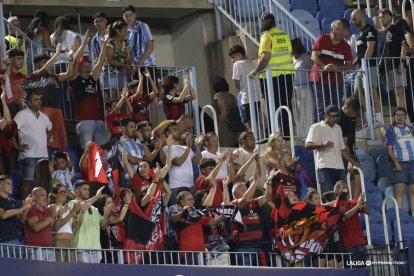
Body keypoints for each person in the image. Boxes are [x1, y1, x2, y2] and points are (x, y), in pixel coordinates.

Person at [250, 13, 294, 137]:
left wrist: (255, 71)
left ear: (265, 22)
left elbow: (266, 57)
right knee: (286, 106)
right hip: (288, 75)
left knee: (271, 106)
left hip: (272, 77)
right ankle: (287, 135)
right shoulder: (285, 35)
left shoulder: (267, 37)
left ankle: (273, 135)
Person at [23, 44, 74, 151]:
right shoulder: (33, 76)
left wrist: (70, 59)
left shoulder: (54, 77)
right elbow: (45, 68)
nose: (47, 63)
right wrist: (56, 54)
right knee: (43, 141)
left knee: (58, 144)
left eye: (48, 61)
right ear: (37, 64)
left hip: (56, 111)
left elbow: (69, 74)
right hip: (42, 111)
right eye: (43, 61)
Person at [305, 105, 359, 194]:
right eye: (332, 116)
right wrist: (322, 144)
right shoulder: (315, 127)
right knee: (329, 196)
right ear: (326, 115)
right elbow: (307, 145)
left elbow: (342, 149)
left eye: (336, 116)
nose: (335, 118)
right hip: (325, 168)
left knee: (344, 196)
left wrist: (352, 161)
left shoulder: (338, 128)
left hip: (340, 167)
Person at [70, 30, 109, 148]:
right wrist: (83, 44)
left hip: (99, 120)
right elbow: (76, 61)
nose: (87, 68)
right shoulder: (75, 79)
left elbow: (101, 61)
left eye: (89, 66)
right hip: (84, 120)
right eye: (85, 66)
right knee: (88, 152)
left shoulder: (93, 78)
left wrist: (104, 44)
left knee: (103, 152)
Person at [310, 20, 353, 120]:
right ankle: (320, 132)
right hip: (319, 79)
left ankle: (334, 131)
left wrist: (337, 68)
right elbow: (314, 56)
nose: (341, 32)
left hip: (336, 81)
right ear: (332, 29)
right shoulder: (322, 39)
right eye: (338, 29)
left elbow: (349, 65)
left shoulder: (346, 46)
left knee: (335, 108)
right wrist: (324, 66)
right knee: (321, 107)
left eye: (343, 30)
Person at [228, 166, 270, 266]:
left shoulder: (253, 202)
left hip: (258, 246)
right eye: (243, 189)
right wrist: (255, 182)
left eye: (246, 188)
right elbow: (245, 200)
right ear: (235, 193)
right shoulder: (233, 204)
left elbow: (268, 196)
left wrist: (269, 182)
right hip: (243, 248)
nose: (246, 190)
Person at [13, 90, 52, 199]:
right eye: (35, 99)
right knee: (27, 183)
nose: (39, 102)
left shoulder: (44, 116)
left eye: (40, 99)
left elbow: (50, 128)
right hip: (28, 155)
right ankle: (24, 209)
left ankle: (43, 209)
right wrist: (17, 146)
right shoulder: (22, 115)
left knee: (44, 185)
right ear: (29, 103)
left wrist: (46, 139)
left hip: (43, 155)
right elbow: (10, 130)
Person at [169, 189, 224, 265]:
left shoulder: (195, 214)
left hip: (200, 252)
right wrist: (183, 211)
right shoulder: (176, 212)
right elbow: (174, 219)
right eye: (189, 200)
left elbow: (213, 221)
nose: (192, 201)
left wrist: (226, 214)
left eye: (192, 199)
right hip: (186, 253)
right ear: (182, 202)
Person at [351, 9, 382, 125]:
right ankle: (368, 118)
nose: (352, 21)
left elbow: (370, 47)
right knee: (356, 92)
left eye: (354, 18)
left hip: (369, 66)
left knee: (372, 90)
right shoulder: (360, 33)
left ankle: (379, 119)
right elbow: (360, 54)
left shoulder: (370, 30)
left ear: (361, 16)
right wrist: (351, 64)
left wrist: (364, 65)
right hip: (361, 67)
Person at [161, 122, 203, 204]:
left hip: (190, 185)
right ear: (168, 133)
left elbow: (198, 161)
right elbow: (178, 162)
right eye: (175, 129)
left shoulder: (185, 147)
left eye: (178, 129)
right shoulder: (167, 148)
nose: (178, 131)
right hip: (176, 185)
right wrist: (188, 147)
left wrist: (197, 145)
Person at [68, 181, 109, 263]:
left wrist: (106, 214)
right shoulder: (72, 203)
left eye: (88, 189)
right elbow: (81, 206)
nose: (88, 191)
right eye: (84, 189)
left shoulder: (95, 209)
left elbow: (103, 226)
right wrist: (96, 197)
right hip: (81, 248)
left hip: (96, 249)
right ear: (76, 191)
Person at [229, 45, 263, 133]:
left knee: (249, 123)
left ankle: (255, 142)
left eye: (233, 57)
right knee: (256, 120)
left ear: (239, 54)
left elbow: (236, 82)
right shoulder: (253, 63)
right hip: (257, 96)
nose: (232, 60)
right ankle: (262, 139)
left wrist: (241, 89)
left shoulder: (237, 64)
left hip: (246, 97)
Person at [385, 107, 414, 213]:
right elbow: (389, 149)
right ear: (394, 117)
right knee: (400, 192)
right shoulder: (391, 130)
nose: (400, 117)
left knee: (413, 192)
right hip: (400, 163)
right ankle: (400, 219)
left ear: (405, 116)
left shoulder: (411, 129)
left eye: (402, 115)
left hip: (413, 162)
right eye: (397, 115)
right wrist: (396, 162)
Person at [334, 181, 370, 264]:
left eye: (346, 186)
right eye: (342, 187)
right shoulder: (336, 204)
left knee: (366, 271)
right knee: (354, 271)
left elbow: (368, 212)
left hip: (361, 242)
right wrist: (358, 205)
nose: (345, 188)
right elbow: (343, 218)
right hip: (349, 245)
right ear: (336, 192)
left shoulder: (352, 202)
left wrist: (363, 203)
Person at [379, 9, 408, 110]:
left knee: (399, 91)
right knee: (395, 93)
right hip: (387, 68)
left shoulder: (396, 29)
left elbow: (404, 47)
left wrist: (401, 62)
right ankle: (402, 116)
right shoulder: (383, 34)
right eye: (379, 17)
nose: (381, 19)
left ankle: (403, 118)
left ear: (390, 17)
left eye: (383, 17)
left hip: (396, 65)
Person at [48, 182, 80, 262]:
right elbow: (55, 228)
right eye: (61, 192)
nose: (65, 194)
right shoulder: (52, 207)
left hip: (71, 241)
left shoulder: (68, 208)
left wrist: (82, 212)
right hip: (59, 240)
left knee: (72, 269)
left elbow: (77, 225)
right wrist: (72, 212)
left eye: (66, 192)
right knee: (60, 268)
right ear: (54, 195)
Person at [338, 97, 362, 199]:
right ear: (345, 107)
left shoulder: (351, 116)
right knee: (351, 178)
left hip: (350, 149)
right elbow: (343, 142)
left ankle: (354, 204)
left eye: (355, 114)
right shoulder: (340, 118)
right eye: (351, 113)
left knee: (358, 176)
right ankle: (350, 204)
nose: (353, 115)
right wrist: (350, 159)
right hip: (343, 151)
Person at [0, 175, 32, 249]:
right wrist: (22, 207)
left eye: (12, 184)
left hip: (17, 241)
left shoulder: (13, 202)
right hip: (4, 243)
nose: (11, 186)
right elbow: (3, 215)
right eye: (8, 183)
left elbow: (21, 220)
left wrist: (26, 208)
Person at [290, 38, 314, 137]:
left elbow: (313, 71)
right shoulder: (292, 58)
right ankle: (300, 136)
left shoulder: (307, 57)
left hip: (305, 88)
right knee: (297, 116)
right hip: (294, 90)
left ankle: (308, 137)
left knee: (307, 115)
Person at [212, 77, 245, 147]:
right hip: (235, 125)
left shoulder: (218, 96)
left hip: (226, 127)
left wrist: (217, 125)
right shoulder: (231, 96)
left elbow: (224, 111)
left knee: (225, 148)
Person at [25, 187, 55, 261]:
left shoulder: (47, 210)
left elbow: (51, 227)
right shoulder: (31, 209)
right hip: (36, 250)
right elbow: (36, 227)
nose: (45, 197)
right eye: (42, 195)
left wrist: (55, 215)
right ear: (34, 197)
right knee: (37, 272)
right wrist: (51, 218)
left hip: (49, 248)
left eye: (45, 195)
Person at [105, 20, 132, 95]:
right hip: (110, 73)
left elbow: (128, 58)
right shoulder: (110, 43)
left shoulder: (126, 42)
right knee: (112, 96)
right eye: (124, 31)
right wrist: (125, 65)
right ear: (117, 31)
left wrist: (129, 69)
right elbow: (109, 60)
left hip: (122, 73)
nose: (126, 33)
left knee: (123, 97)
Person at [0, 48, 26, 117]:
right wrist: (8, 67)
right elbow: (5, 86)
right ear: (11, 60)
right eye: (19, 58)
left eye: (23, 58)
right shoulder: (2, 73)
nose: (22, 61)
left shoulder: (24, 77)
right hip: (7, 110)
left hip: (21, 110)